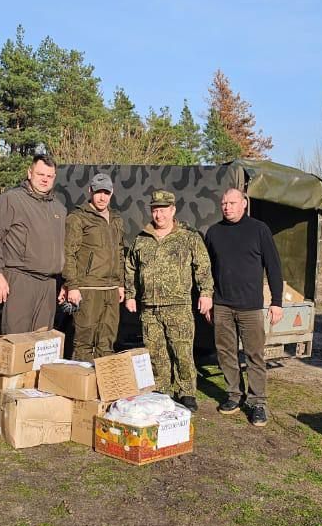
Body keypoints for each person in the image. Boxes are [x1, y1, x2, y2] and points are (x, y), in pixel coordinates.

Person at [124, 189, 213, 411]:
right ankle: (161, 390)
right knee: (155, 353)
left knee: (182, 352)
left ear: (173, 210)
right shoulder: (141, 238)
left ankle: (186, 392)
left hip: (178, 306)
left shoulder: (188, 237)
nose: (159, 215)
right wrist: (130, 294)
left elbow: (202, 266)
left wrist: (206, 293)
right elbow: (130, 268)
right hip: (150, 307)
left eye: (163, 210)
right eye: (155, 210)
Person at [203, 187, 284, 427]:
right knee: (226, 353)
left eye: (232, 203)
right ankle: (234, 395)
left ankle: (257, 402)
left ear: (244, 204)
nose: (227, 207)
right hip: (222, 305)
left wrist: (277, 302)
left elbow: (274, 268)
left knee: (254, 355)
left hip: (250, 307)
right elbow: (206, 272)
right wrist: (207, 299)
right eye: (224, 203)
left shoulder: (259, 230)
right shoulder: (214, 232)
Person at [0, 153, 66, 334]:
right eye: (40, 174)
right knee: (17, 337)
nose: (45, 179)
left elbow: (63, 249)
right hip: (20, 279)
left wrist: (64, 283)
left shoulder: (59, 208)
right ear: (30, 173)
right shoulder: (12, 199)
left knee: (43, 341)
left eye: (49, 176)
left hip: (49, 284)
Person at [63, 172, 125, 361]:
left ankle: (103, 386)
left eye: (106, 192)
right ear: (90, 191)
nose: (102, 197)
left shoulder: (116, 219)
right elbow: (68, 253)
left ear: (111, 193)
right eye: (98, 192)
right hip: (88, 288)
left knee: (107, 341)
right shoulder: (78, 218)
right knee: (84, 341)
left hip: (112, 289)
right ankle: (82, 387)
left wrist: (120, 283)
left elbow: (120, 253)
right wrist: (72, 286)